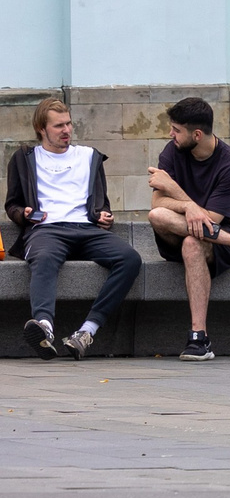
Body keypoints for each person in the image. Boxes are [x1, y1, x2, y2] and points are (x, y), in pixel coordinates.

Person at [4, 99, 142, 361]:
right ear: (41, 128)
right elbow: (12, 205)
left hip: (87, 229)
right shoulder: (25, 158)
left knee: (130, 258)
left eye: (68, 123)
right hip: (46, 229)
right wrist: (22, 214)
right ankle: (44, 326)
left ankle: (86, 332)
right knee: (43, 258)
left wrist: (104, 215)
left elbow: (102, 203)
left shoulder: (89, 156)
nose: (66, 130)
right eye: (58, 126)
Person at [145, 97, 230, 361]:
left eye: (177, 130)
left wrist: (181, 198)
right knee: (157, 215)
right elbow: (158, 203)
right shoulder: (172, 151)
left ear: (197, 134)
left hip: (227, 228)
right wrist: (189, 208)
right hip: (207, 235)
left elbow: (210, 221)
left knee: (192, 243)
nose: (171, 135)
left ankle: (199, 339)